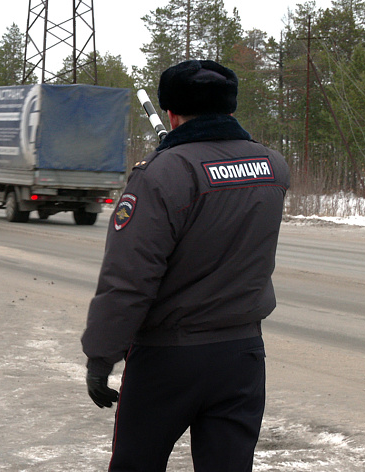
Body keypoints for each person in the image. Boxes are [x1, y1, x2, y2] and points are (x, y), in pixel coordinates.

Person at [81, 60, 291, 471]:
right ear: (230, 110)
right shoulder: (272, 166)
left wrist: (101, 354)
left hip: (169, 358)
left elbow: (128, 279)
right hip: (242, 355)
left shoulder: (162, 175)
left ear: (172, 114)